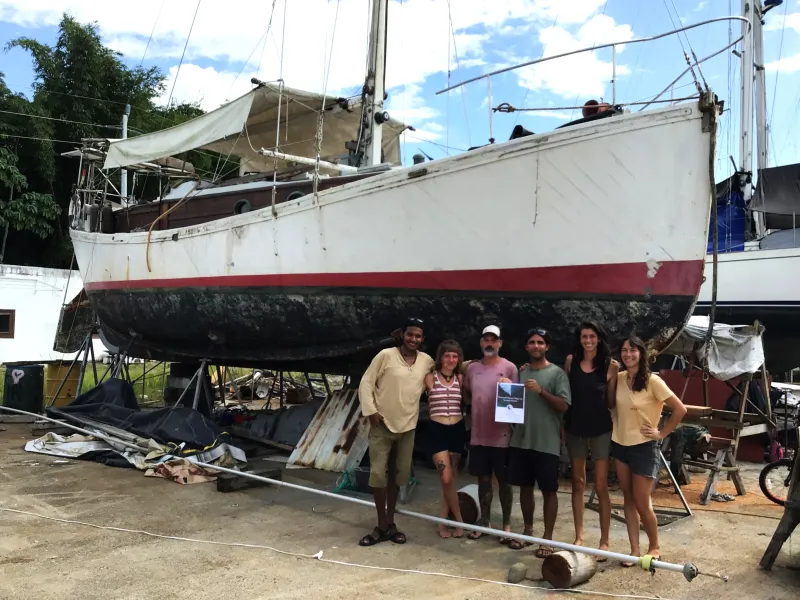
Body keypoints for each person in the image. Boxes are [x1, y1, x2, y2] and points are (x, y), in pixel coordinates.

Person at [357, 317, 434, 546]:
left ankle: (390, 523)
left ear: (422, 339)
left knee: (398, 476)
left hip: (408, 427)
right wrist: (370, 411)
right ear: (402, 335)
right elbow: (366, 382)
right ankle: (381, 524)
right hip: (382, 425)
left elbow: (448, 369)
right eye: (410, 334)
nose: (413, 339)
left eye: (418, 336)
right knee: (378, 475)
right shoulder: (385, 355)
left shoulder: (426, 361)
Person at [611, 336, 687, 565]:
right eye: (624, 350)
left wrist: (662, 433)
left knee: (642, 501)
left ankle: (654, 546)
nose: (628, 354)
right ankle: (634, 550)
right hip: (620, 443)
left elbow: (679, 409)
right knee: (627, 498)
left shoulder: (654, 381)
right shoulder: (619, 378)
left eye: (633, 350)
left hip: (644, 447)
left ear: (642, 353)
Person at [507, 327, 571, 557]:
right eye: (532, 342)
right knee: (524, 488)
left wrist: (541, 391)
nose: (536, 346)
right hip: (521, 441)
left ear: (547, 347)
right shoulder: (520, 373)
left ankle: (548, 538)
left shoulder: (557, 374)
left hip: (547, 442)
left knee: (548, 490)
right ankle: (527, 532)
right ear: (526, 347)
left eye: (540, 342)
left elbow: (564, 405)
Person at [563, 321, 619, 559]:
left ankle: (604, 541)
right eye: (584, 336)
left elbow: (612, 401)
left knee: (601, 485)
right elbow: (564, 392)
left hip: (601, 430)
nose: (588, 340)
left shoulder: (610, 366)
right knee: (577, 482)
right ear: (580, 339)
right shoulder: (570, 362)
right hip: (575, 428)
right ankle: (579, 536)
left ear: (599, 338)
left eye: (592, 336)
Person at [462, 325, 517, 542]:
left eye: (494, 340)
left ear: (500, 343)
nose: (490, 343)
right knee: (483, 481)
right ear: (481, 342)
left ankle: (506, 525)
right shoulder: (472, 369)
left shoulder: (510, 368)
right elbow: (466, 394)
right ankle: (484, 521)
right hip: (479, 436)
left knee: (505, 482)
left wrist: (511, 386)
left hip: (502, 437)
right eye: (486, 339)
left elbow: (518, 401)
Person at [424, 340, 467, 539]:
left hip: (456, 429)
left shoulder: (460, 378)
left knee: (450, 483)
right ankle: (458, 522)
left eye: (455, 356)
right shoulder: (430, 378)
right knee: (446, 478)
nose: (451, 359)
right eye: (447, 355)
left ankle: (443, 524)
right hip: (437, 430)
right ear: (440, 357)